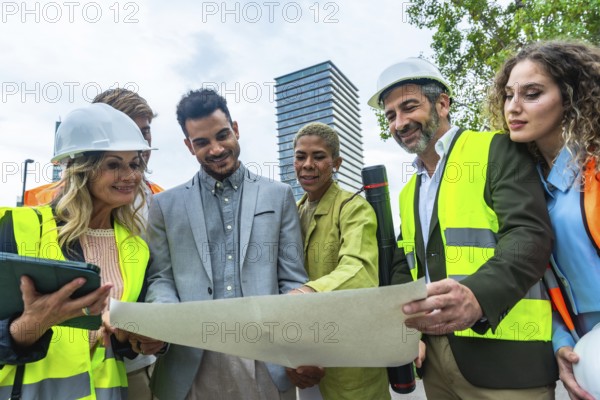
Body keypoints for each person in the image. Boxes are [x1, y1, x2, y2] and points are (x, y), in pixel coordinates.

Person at [367, 57, 557, 399]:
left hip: (506, 362)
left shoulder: (495, 149)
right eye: (391, 115)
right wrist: (411, 331)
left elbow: (529, 235)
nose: (400, 122)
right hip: (436, 366)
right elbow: (403, 264)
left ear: (442, 103)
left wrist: (477, 296)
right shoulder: (410, 191)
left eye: (409, 107)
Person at [145, 88, 309, 400]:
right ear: (188, 146)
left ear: (235, 129)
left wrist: (298, 345)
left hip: (267, 362)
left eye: (222, 135)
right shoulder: (164, 206)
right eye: (202, 142)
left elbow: (293, 279)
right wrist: (168, 320)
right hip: (192, 361)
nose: (216, 149)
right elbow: (160, 278)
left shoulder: (279, 195)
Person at [0, 103, 155, 399]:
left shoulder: (137, 249)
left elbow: (117, 340)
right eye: (113, 164)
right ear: (82, 169)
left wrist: (138, 339)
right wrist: (29, 327)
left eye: (134, 164)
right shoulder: (18, 229)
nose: (129, 175)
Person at [489, 40, 600, 400]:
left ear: (571, 97)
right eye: (508, 95)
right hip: (585, 354)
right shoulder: (523, 185)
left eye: (532, 94)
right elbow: (538, 281)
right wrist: (561, 341)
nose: (514, 107)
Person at [287, 121, 390, 400]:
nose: (308, 164)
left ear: (337, 163)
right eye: (300, 156)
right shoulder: (292, 213)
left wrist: (307, 293)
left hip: (351, 360)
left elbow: (360, 269)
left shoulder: (354, 207)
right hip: (306, 358)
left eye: (318, 156)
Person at [23, 88, 163, 206]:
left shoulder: (163, 200)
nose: (140, 145)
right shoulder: (40, 200)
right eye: (128, 134)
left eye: (144, 132)